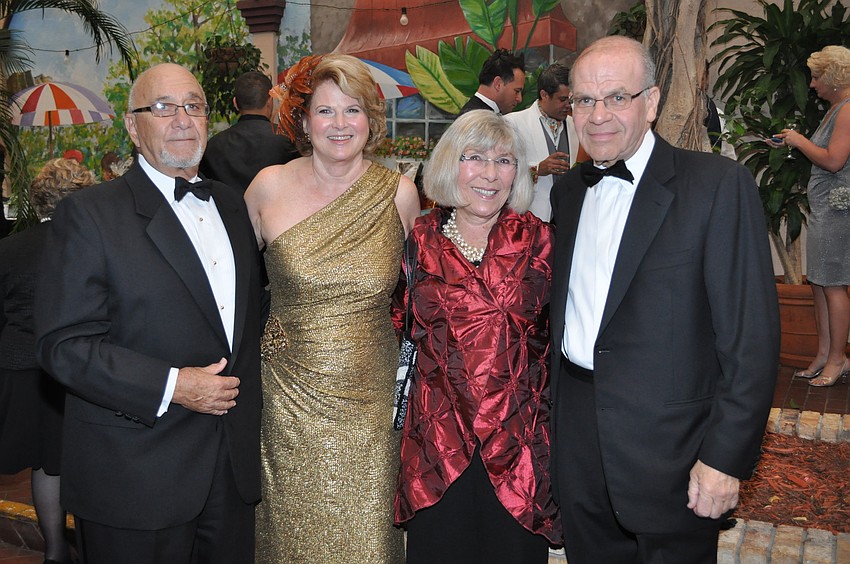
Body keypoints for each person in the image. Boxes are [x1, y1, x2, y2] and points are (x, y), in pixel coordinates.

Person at [549, 36, 779, 563]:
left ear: (651, 102)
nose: (598, 115)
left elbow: (752, 341)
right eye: (584, 100)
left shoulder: (717, 186)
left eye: (617, 97)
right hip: (580, 443)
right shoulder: (568, 193)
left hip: (674, 453)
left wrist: (725, 459)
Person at [33, 63, 267, 564]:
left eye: (194, 105)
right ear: (132, 126)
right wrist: (174, 386)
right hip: (135, 477)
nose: (182, 119)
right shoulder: (90, 215)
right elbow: (63, 345)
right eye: (162, 107)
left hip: (230, 471)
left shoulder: (230, 204)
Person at [244, 53, 420, 563]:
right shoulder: (267, 187)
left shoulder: (401, 195)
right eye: (325, 111)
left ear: (372, 119)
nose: (339, 124)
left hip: (371, 405)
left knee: (368, 542)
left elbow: (419, 298)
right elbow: (229, 290)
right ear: (304, 122)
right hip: (286, 401)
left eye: (353, 110)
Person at [393, 110, 560, 563]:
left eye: (504, 160)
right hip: (437, 446)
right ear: (451, 163)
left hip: (516, 447)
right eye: (474, 157)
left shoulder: (543, 243)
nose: (490, 173)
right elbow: (396, 327)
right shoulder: (417, 239)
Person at [1, 158, 95, 564]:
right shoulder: (91, 246)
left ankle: (55, 549)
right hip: (79, 369)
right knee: (85, 461)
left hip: (20, 370)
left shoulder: (9, 248)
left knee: (46, 466)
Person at [768, 45, 850, 387]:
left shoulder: (847, 110)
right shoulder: (835, 109)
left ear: (832, 77)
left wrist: (799, 141)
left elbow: (834, 160)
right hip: (824, 209)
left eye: (816, 77)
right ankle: (823, 353)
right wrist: (792, 142)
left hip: (837, 210)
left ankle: (837, 359)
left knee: (832, 285)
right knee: (817, 283)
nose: (812, 84)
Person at [504, 63, 581, 220]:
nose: (568, 106)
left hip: (566, 219)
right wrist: (537, 169)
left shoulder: (576, 125)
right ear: (544, 95)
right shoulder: (512, 123)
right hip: (527, 220)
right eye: (562, 99)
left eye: (571, 100)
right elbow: (500, 173)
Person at [201, 70, 299, 192]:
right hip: (276, 210)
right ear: (270, 102)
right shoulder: (288, 140)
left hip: (228, 210)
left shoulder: (213, 146)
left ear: (235, 103)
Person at [458, 48, 526, 115]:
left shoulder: (472, 113)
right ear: (498, 84)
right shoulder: (478, 120)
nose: (519, 99)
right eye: (516, 91)